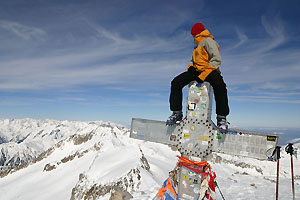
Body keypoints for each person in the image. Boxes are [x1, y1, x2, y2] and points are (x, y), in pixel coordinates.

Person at [166, 22, 230, 132]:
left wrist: (203, 75)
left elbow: (216, 59)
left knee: (220, 86)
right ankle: (177, 112)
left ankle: (221, 118)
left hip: (210, 69)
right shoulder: (197, 46)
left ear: (196, 33)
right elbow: (193, 61)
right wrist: (190, 67)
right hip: (197, 70)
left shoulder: (209, 41)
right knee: (176, 82)